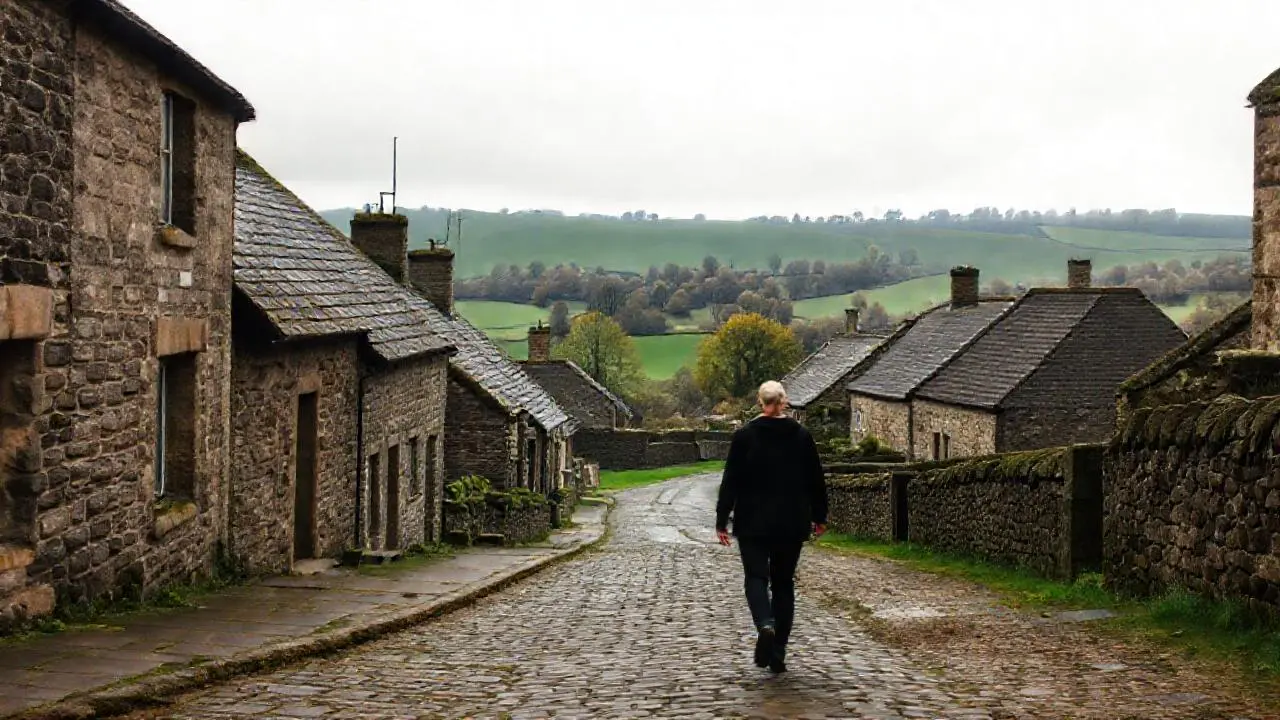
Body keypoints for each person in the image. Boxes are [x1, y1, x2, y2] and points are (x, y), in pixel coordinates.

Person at [716, 380, 827, 674]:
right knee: (783, 583)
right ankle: (778, 652)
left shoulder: (744, 436)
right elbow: (815, 479)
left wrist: (721, 519)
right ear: (784, 402)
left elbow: (731, 481)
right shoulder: (801, 436)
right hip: (791, 522)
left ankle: (765, 624)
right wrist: (820, 516)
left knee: (755, 577)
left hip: (752, 521)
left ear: (759, 402)